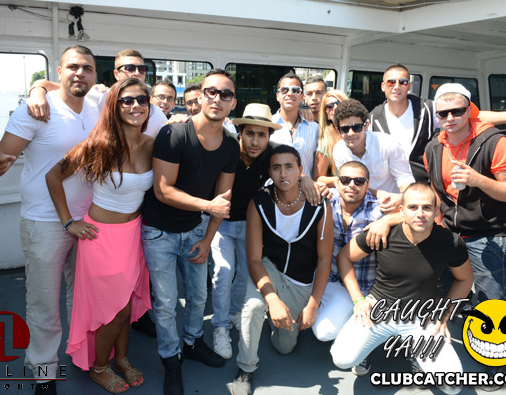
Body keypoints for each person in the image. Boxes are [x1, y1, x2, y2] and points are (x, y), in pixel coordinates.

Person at [0, 45, 100, 395]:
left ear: (95, 75)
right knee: (44, 304)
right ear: (59, 71)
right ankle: (44, 373)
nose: (80, 73)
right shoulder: (34, 111)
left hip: (88, 220)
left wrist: (38, 86)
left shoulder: (97, 103)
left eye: (87, 68)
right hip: (44, 222)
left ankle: (81, 356)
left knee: (83, 298)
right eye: (72, 67)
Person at [45, 78, 152, 393]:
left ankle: (121, 358)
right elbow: (53, 176)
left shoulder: (152, 145)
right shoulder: (98, 144)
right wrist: (69, 222)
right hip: (101, 239)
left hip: (133, 236)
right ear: (115, 106)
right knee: (115, 310)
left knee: (126, 305)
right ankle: (100, 367)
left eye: (142, 100)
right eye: (127, 100)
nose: (135, 106)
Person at [141, 69, 240, 395]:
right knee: (167, 303)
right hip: (159, 231)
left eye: (225, 94)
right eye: (211, 91)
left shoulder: (230, 146)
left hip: (195, 230)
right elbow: (163, 190)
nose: (217, 98)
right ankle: (172, 360)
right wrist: (206, 205)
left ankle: (193, 342)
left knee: (198, 296)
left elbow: (222, 201)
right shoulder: (174, 135)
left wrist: (208, 238)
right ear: (200, 96)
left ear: (233, 103)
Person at [332, 183, 474, 395]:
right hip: (379, 308)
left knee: (452, 386)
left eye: (427, 207)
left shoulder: (449, 242)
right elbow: (344, 257)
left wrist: (444, 314)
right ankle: (366, 349)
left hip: (422, 315)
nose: (420, 214)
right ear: (402, 210)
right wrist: (358, 299)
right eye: (413, 207)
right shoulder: (382, 233)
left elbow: (465, 279)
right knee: (342, 359)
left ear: (436, 211)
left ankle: (416, 354)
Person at [209, 104, 324, 360]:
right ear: (239, 133)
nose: (255, 141)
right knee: (223, 273)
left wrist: (306, 179)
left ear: (269, 136)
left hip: (250, 222)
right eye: (250, 133)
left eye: (262, 135)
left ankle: (235, 313)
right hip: (221, 221)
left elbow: (292, 167)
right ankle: (220, 327)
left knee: (244, 276)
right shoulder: (226, 149)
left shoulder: (272, 154)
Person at [231, 145, 333, 395]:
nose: (283, 173)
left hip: (300, 281)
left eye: (289, 167)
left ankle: (273, 318)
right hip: (269, 268)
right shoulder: (260, 202)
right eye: (276, 168)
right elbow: (254, 260)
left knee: (285, 347)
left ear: (301, 170)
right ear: (269, 172)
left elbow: (324, 260)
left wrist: (313, 304)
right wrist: (272, 299)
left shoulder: (320, 205)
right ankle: (245, 369)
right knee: (254, 306)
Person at [424, 83, 506, 303]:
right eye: (443, 113)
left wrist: (477, 180)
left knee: (490, 301)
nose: (450, 118)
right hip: (448, 233)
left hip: (487, 235)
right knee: (443, 296)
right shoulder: (433, 148)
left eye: (457, 111)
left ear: (469, 111)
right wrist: (436, 226)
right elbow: (436, 190)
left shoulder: (495, 142)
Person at [370, 63, 506, 183]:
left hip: (422, 184)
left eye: (403, 82)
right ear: (383, 86)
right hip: (389, 186)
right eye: (391, 82)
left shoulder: (427, 109)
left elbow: (470, 116)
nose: (396, 86)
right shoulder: (373, 118)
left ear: (409, 86)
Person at [312, 162, 382, 349]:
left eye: (359, 181)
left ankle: (356, 325)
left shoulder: (380, 212)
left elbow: (411, 214)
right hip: (329, 280)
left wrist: (390, 220)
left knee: (325, 332)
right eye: (345, 180)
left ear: (367, 185)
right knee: (320, 329)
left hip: (363, 285)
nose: (351, 185)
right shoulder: (325, 202)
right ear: (336, 182)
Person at [27, 48, 168, 139]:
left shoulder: (154, 112)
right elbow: (57, 86)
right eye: (130, 68)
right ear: (116, 74)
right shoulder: (100, 95)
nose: (137, 73)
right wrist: (37, 92)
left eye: (142, 69)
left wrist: (177, 119)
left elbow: (169, 133)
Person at [332, 99, 415, 213]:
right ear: (338, 130)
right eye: (345, 129)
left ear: (366, 126)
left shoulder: (386, 143)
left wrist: (402, 198)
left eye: (356, 127)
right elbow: (350, 185)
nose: (351, 133)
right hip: (360, 209)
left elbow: (404, 177)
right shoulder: (339, 151)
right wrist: (377, 193)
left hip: (391, 206)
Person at [271, 72, 320, 178]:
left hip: (305, 187)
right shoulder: (268, 125)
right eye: (284, 90)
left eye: (295, 90)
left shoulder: (315, 128)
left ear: (302, 96)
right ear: (278, 96)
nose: (290, 93)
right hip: (272, 187)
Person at [313, 90, 349, 187]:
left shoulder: (361, 130)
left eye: (339, 104)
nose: (335, 108)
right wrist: (342, 180)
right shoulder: (326, 143)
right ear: (326, 114)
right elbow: (318, 178)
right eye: (330, 106)